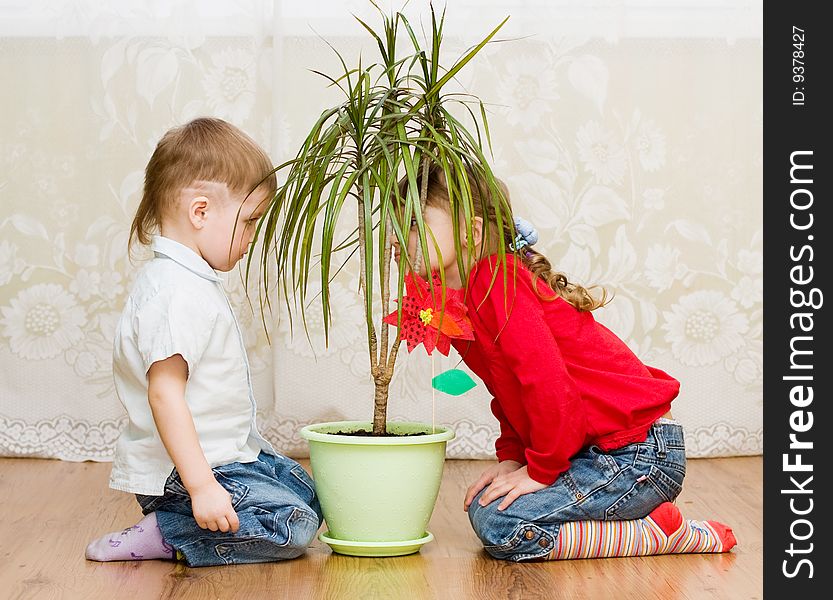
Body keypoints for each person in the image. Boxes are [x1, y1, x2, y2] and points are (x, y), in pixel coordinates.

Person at [391, 164, 736, 561]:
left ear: (471, 231)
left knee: (501, 525)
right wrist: (513, 458)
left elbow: (548, 383)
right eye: (398, 225)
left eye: (416, 223)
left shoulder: (496, 279)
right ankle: (642, 525)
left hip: (639, 453)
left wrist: (540, 471)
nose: (401, 237)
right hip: (597, 452)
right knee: (489, 507)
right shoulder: (460, 302)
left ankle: (661, 535)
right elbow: (508, 388)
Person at [85, 117, 322, 567]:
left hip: (223, 458)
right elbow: (164, 392)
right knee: (293, 524)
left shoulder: (189, 281)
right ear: (200, 212)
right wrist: (201, 487)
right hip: (185, 474)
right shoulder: (173, 293)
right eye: (250, 223)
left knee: (310, 493)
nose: (252, 238)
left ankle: (191, 517)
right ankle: (167, 530)